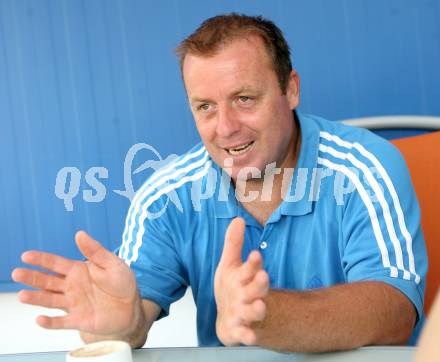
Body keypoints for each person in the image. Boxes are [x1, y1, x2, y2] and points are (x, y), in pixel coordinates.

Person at [12, 13, 427, 353]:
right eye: (205, 107)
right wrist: (121, 325)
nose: (225, 128)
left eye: (244, 98)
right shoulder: (165, 196)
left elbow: (395, 312)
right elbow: (130, 319)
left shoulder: (367, 167)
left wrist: (265, 317)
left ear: (291, 89)